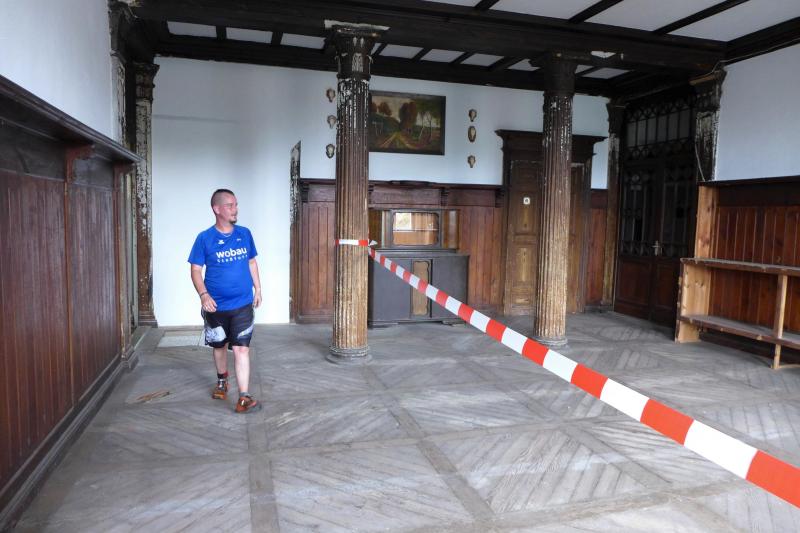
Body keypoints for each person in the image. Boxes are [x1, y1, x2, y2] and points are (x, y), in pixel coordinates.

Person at [188, 189, 263, 413]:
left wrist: (258, 289)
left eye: (236, 204)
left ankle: (244, 396)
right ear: (217, 209)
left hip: (242, 304)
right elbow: (195, 270)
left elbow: (251, 262)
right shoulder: (204, 238)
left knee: (241, 349)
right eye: (230, 205)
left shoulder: (245, 234)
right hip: (215, 307)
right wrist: (204, 295)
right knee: (219, 346)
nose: (235, 209)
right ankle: (222, 380)